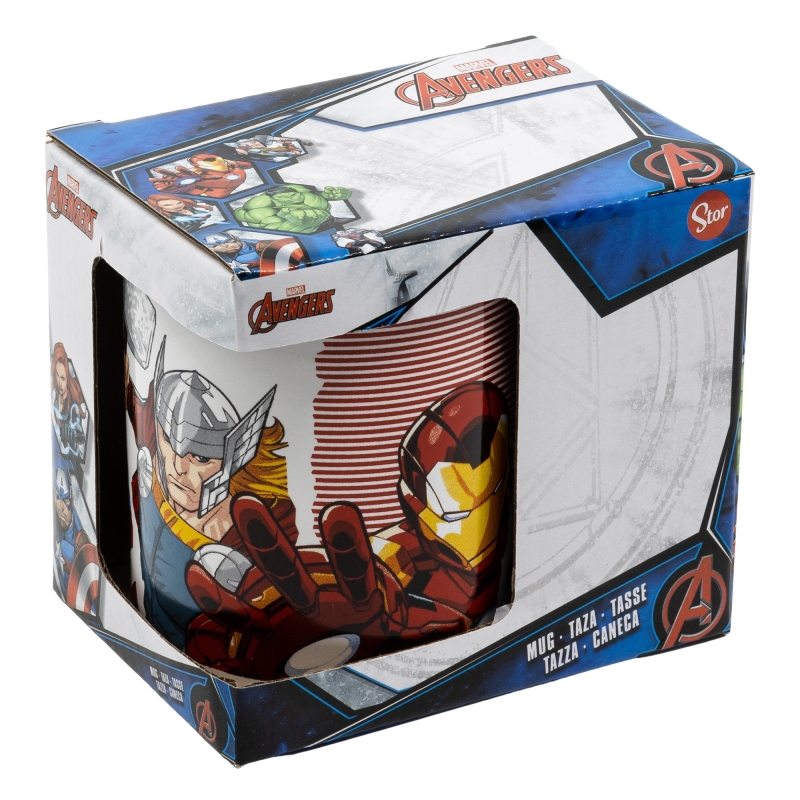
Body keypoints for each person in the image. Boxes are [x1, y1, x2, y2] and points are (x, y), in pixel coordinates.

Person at [184, 382, 511, 680]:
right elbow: (361, 572)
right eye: (427, 493)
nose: (432, 515)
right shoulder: (403, 554)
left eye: (452, 496)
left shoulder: (515, 527)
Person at [127, 338, 296, 649]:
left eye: (201, 457)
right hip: (147, 635)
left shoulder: (253, 537)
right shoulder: (153, 471)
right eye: (169, 442)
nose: (178, 467)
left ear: (231, 461)